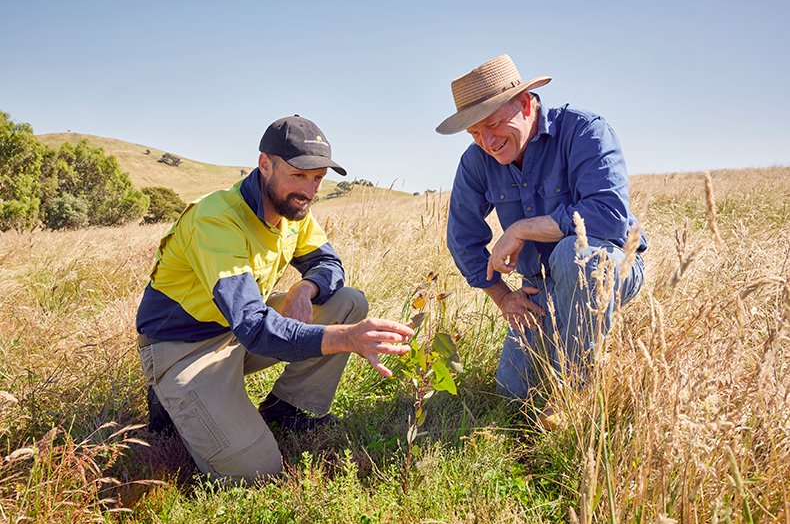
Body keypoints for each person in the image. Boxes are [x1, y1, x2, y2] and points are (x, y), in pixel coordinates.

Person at [136, 115, 413, 481]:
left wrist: (305, 287)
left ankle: (289, 411)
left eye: (317, 178)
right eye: (299, 175)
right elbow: (253, 326)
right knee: (257, 470)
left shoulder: (293, 210)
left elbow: (328, 263)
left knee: (347, 302)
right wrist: (345, 338)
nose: (310, 190)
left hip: (236, 328)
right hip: (185, 347)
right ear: (265, 164)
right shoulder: (217, 220)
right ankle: (170, 398)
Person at [436, 55, 647, 424]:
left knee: (576, 255)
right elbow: (461, 238)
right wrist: (503, 297)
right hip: (539, 286)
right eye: (474, 133)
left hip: (608, 265)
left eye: (492, 124)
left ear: (525, 102)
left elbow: (608, 215)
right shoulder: (476, 161)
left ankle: (574, 394)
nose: (486, 141)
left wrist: (519, 230)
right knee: (513, 394)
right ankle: (574, 353)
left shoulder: (585, 131)